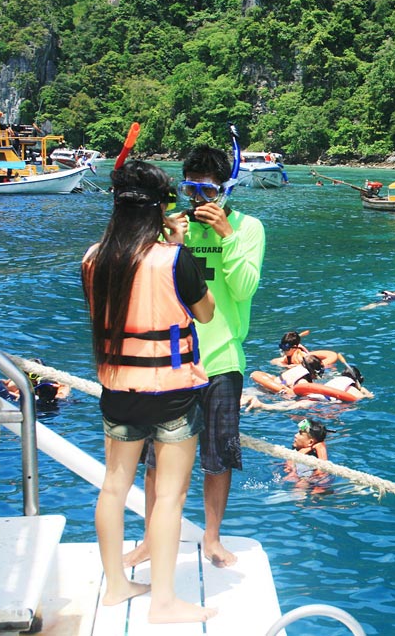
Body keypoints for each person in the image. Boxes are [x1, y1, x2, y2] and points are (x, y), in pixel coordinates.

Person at [82, 160, 217, 622]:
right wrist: (178, 248)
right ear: (160, 210)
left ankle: (117, 586)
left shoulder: (94, 258)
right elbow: (205, 314)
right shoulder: (174, 259)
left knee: (114, 485)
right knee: (170, 496)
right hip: (172, 394)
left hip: (118, 389)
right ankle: (163, 601)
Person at [127, 144, 265, 570]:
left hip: (222, 360)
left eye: (207, 191)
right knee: (156, 456)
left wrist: (227, 237)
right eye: (191, 190)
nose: (199, 200)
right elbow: (150, 286)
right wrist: (172, 244)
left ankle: (212, 537)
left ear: (225, 189)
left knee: (217, 456)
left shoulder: (249, 228)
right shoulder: (172, 227)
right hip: (173, 358)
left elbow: (243, 290)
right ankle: (152, 538)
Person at [284, 418, 332, 490]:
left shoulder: (319, 447)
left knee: (301, 486)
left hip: (310, 477)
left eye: (300, 433)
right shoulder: (297, 449)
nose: (295, 435)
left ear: (310, 442)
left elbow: (322, 470)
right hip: (300, 474)